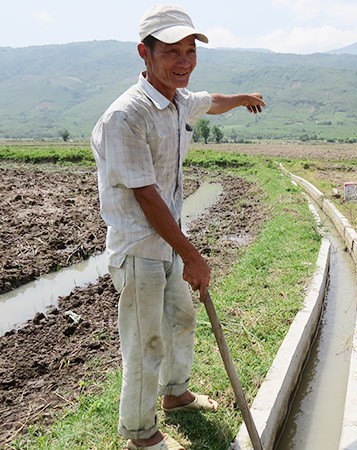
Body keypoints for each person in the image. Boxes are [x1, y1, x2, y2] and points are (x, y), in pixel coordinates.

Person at [90, 5, 266, 450]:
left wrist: (242, 98)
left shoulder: (176, 101)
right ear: (144, 54)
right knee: (146, 342)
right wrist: (192, 254)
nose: (184, 60)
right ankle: (140, 433)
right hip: (139, 248)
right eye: (172, 51)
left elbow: (211, 101)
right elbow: (147, 198)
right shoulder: (126, 117)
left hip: (166, 244)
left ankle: (176, 394)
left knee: (182, 320)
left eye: (190, 50)